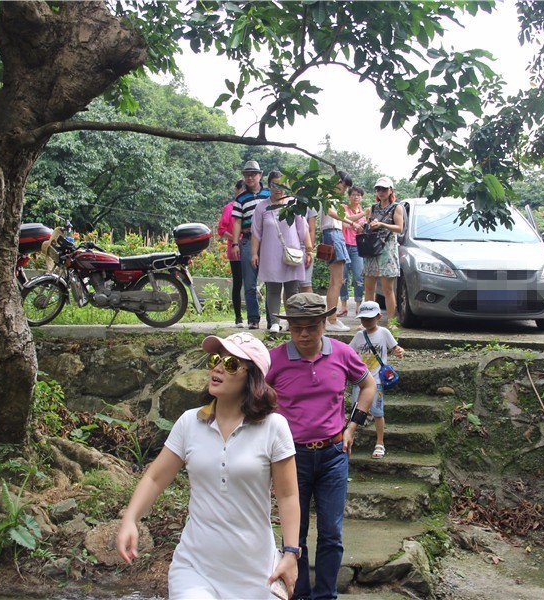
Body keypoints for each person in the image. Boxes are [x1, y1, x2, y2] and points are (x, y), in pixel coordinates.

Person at [117, 333, 301, 599]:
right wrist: (130, 519)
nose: (217, 368)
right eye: (215, 360)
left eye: (230, 364)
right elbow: (155, 478)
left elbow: (288, 495)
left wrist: (291, 553)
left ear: (252, 377)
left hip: (257, 573)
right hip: (195, 569)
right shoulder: (189, 422)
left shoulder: (274, 427)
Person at [266, 293, 377, 600]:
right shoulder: (274, 360)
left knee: (331, 532)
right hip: (291, 458)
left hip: (333, 455)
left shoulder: (341, 353)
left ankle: (326, 595)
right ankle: (298, 593)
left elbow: (368, 385)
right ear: (289, 327)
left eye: (311, 327)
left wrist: (352, 426)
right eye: (297, 327)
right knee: (295, 534)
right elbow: (254, 397)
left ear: (324, 324)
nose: (304, 334)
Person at [252, 171, 313, 333]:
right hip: (270, 254)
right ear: (269, 186)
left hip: (292, 253)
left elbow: (303, 228)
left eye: (282, 185)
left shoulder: (294, 204)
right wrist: (254, 253)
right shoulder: (262, 207)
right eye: (274, 185)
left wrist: (308, 250)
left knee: (292, 290)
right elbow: (256, 232)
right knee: (273, 289)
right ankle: (274, 322)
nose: (278, 189)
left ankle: (292, 322)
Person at [348, 301, 405, 460]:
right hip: (361, 379)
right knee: (356, 411)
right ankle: (350, 439)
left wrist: (399, 351)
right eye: (363, 319)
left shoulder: (384, 332)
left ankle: (380, 442)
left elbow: (395, 348)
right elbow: (349, 352)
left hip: (377, 380)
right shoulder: (359, 336)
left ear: (379, 317)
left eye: (370, 318)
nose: (366, 321)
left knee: (378, 412)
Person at [232, 160, 271, 329]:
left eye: (253, 174)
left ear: (260, 175)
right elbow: (237, 222)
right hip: (248, 240)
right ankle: (253, 319)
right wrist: (235, 244)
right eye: (247, 175)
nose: (250, 178)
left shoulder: (269, 194)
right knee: (249, 283)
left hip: (269, 241)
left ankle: (272, 319)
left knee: (271, 281)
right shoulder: (240, 198)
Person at [319, 171, 360, 332]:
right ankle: (332, 319)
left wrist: (353, 223)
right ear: (337, 182)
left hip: (335, 234)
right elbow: (330, 212)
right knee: (337, 281)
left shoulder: (333, 198)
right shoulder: (328, 196)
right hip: (333, 235)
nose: (345, 190)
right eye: (344, 186)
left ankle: (331, 318)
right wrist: (351, 222)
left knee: (335, 281)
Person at [363, 177, 405, 322]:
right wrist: (368, 226)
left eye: (384, 189)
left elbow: (399, 228)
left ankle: (391, 322)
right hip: (372, 249)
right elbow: (368, 226)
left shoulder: (396, 207)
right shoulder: (373, 208)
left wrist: (382, 224)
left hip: (387, 250)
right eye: (378, 189)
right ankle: (368, 320)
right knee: (369, 288)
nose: (381, 192)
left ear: (391, 190)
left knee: (388, 289)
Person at [217, 179, 246, 327]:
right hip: (235, 250)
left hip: (251, 248)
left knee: (251, 284)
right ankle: (238, 317)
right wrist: (235, 238)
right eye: (242, 190)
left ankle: (254, 317)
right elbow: (221, 230)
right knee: (238, 282)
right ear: (236, 190)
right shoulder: (229, 208)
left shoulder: (251, 206)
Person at [338, 186, 367, 317]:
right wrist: (362, 215)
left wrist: (361, 226)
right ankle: (343, 305)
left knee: (358, 277)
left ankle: (359, 305)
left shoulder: (362, 212)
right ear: (349, 196)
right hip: (343, 245)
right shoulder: (343, 208)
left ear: (361, 198)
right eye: (353, 194)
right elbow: (345, 222)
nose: (356, 197)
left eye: (358, 195)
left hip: (357, 247)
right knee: (342, 277)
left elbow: (362, 230)